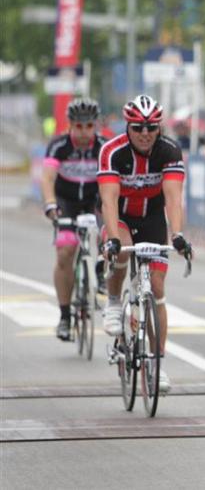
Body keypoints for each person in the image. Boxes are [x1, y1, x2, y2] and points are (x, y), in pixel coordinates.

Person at [98, 95, 192, 393]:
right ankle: (114, 301)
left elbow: (174, 199)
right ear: (128, 126)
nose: (145, 133)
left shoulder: (169, 150)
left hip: (152, 220)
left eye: (152, 127)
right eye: (138, 127)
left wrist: (177, 234)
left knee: (157, 288)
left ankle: (157, 362)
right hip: (121, 217)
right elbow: (109, 200)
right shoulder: (112, 151)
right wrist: (113, 240)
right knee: (123, 247)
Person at [40, 98, 107, 341]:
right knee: (65, 252)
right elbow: (47, 178)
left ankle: (101, 271)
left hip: (94, 200)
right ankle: (65, 316)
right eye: (78, 126)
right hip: (66, 202)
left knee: (109, 232)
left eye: (89, 126)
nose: (84, 132)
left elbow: (113, 182)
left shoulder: (103, 146)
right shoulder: (59, 145)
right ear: (70, 125)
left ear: (95, 125)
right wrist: (50, 204)